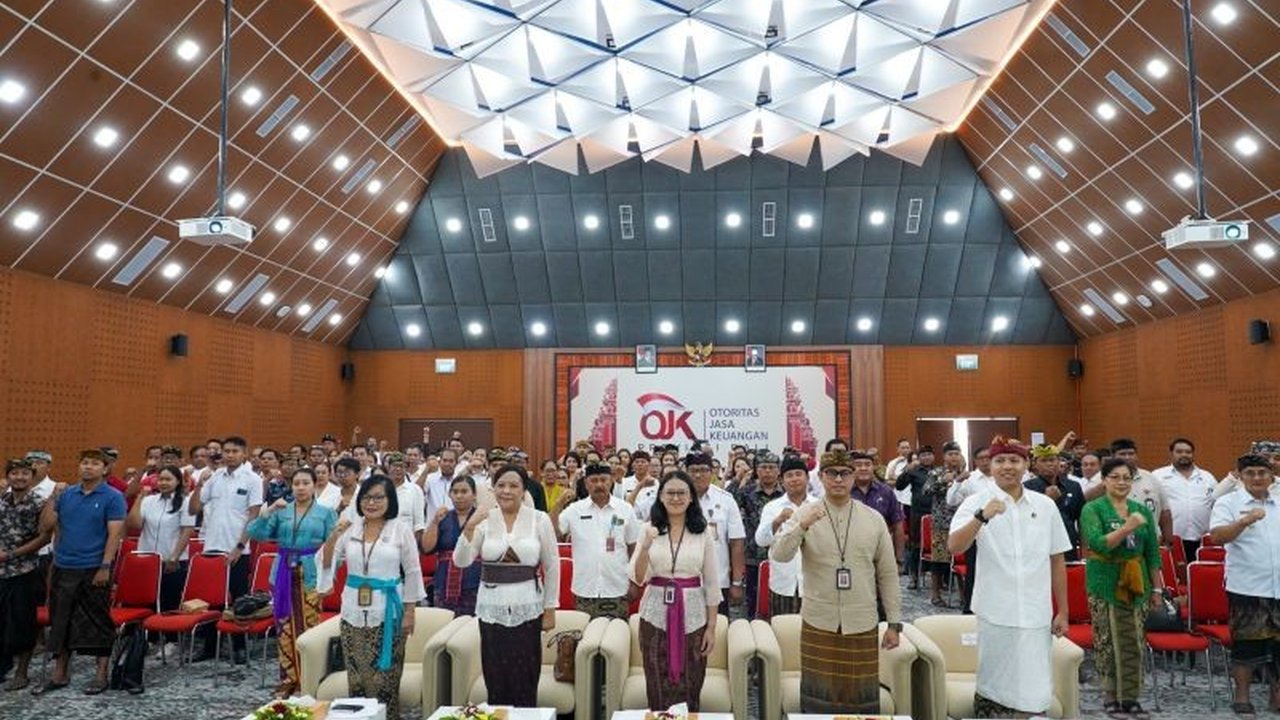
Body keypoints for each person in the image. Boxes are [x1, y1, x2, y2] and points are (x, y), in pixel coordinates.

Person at [770, 449, 902, 713]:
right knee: (818, 698)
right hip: (819, 619)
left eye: (845, 473)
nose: (839, 479)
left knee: (860, 700)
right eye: (832, 473)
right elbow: (780, 555)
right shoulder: (805, 514)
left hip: (861, 620)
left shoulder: (873, 519)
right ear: (821, 477)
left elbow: (887, 574)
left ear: (854, 477)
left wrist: (894, 623)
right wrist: (801, 526)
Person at [948, 437, 1071, 718]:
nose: (1007, 467)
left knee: (1033, 687)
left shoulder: (1044, 505)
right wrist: (981, 516)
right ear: (989, 466)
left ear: (1026, 466)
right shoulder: (976, 502)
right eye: (1000, 461)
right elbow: (954, 546)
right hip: (995, 610)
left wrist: (1062, 611)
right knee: (994, 684)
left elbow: (1057, 559)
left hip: (1035, 611)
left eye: (1014, 461)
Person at [453, 465, 559, 707]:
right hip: (491, 609)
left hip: (528, 609)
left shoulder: (539, 519)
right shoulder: (483, 519)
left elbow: (552, 567)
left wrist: (550, 608)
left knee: (525, 676)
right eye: (501, 485)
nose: (507, 491)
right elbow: (462, 561)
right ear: (493, 489)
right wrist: (469, 527)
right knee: (496, 676)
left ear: (524, 490)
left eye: (513, 486)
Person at [320, 475, 425, 720]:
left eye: (379, 497)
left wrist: (410, 612)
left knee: (385, 679)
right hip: (353, 610)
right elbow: (326, 563)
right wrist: (334, 534)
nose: (372, 503)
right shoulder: (350, 527)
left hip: (389, 611)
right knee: (356, 675)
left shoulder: (400, 529)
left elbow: (412, 571)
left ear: (390, 501)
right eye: (367, 497)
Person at [36, 448, 127, 695]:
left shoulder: (112, 496)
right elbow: (46, 525)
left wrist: (105, 566)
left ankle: (101, 674)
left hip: (93, 567)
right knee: (60, 619)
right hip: (64, 565)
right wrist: (54, 497)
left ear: (105, 469)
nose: (88, 467)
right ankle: (60, 673)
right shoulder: (67, 495)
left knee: (97, 621)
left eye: (95, 463)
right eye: (84, 462)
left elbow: (114, 534)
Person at [1080, 457, 1163, 718]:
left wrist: (1157, 590)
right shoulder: (1093, 509)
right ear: (1104, 480)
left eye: (1127, 477)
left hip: (1136, 583)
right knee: (1107, 641)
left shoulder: (1141, 509)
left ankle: (1131, 697)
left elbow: (1152, 553)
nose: (1121, 482)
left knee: (1134, 641)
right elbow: (1098, 544)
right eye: (1115, 477)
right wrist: (1127, 528)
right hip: (1104, 582)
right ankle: (1109, 696)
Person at [631, 471, 721, 710]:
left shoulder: (702, 532)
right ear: (660, 497)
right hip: (654, 615)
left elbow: (712, 583)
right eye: (670, 493)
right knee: (656, 682)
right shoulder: (648, 529)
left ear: (691, 498)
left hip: (693, 616)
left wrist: (711, 627)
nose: (676, 498)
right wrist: (645, 548)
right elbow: (639, 577)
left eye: (682, 493)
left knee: (691, 679)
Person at [248, 467, 338, 697]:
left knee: (310, 625)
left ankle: (313, 677)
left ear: (314, 485)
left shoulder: (326, 513)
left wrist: (328, 578)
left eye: (305, 483)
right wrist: (267, 511)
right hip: (284, 572)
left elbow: (334, 548)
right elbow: (256, 534)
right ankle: (288, 678)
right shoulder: (282, 511)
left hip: (311, 572)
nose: (300, 487)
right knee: (285, 625)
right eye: (296, 483)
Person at [1209, 453, 1280, 718]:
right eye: (1250, 473)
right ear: (1240, 476)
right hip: (1247, 587)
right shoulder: (1228, 502)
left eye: (1262, 473)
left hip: (1279, 587)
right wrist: (1243, 521)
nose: (1257, 478)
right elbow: (1216, 537)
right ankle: (1242, 698)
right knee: (1246, 646)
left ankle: (1277, 696)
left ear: (1271, 475)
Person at [188, 435, 262, 664]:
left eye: (234, 451)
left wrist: (240, 546)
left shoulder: (252, 479)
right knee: (212, 598)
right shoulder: (215, 477)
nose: (229, 455)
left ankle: (239, 646)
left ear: (244, 454)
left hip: (237, 548)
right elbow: (193, 509)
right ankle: (210, 646)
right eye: (226, 451)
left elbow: (254, 516)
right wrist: (200, 483)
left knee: (238, 599)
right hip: (212, 546)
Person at [126, 464, 196, 661]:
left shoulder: (185, 501)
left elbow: (187, 531)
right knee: (148, 600)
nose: (163, 483)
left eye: (168, 479)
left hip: (172, 560)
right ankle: (149, 638)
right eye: (160, 479)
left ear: (177, 481)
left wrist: (174, 556)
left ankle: (172, 640)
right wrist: (139, 498)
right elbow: (134, 524)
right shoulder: (149, 501)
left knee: (169, 600)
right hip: (147, 559)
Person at [554, 462, 641, 619]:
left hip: (618, 588)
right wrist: (559, 503)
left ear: (611, 481)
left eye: (603, 480)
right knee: (584, 640)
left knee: (615, 639)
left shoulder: (625, 509)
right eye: (594, 480)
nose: (599, 484)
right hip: (585, 589)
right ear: (586, 484)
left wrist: (634, 582)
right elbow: (553, 532)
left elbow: (633, 547)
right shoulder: (575, 510)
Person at [0, 459, 52, 691]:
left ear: (31, 478)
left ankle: (22, 672)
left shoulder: (39, 503)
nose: (19, 477)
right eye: (14, 473)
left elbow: (44, 537)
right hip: (2, 572)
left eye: (24, 474)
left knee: (23, 623)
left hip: (26, 570)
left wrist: (11, 554)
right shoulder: (2, 500)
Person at [754, 455, 814, 615]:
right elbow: (760, 541)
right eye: (789, 475)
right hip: (783, 583)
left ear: (807, 477)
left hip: (814, 584)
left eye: (798, 474)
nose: (794, 479)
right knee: (783, 632)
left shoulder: (818, 506)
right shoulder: (772, 507)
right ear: (782, 481)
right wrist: (777, 521)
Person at [733, 452, 784, 618]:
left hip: (781, 556)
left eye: (772, 467)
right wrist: (737, 480)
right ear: (756, 470)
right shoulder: (746, 492)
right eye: (763, 467)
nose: (768, 471)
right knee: (753, 603)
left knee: (780, 602)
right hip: (753, 556)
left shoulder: (786, 494)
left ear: (778, 471)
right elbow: (729, 505)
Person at [421, 476, 481, 615]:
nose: (459, 496)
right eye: (455, 492)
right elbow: (427, 548)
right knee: (443, 627)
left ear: (474, 494)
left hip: (474, 582)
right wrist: (435, 522)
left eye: (464, 491)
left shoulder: (481, 517)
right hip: (444, 582)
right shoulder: (444, 517)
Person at [1153, 438, 1217, 561]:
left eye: (1188, 452)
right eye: (1179, 451)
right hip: (1172, 540)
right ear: (1171, 453)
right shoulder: (1158, 476)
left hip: (1202, 539)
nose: (1184, 455)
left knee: (1199, 575)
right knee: (1177, 576)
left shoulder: (1207, 477)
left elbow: (1216, 502)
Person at [1024, 443, 1085, 561]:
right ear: (1035, 464)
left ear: (1058, 462)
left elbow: (1081, 519)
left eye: (1052, 460)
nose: (1049, 464)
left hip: (1068, 542)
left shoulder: (1073, 486)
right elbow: (1026, 519)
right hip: (1038, 546)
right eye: (1044, 460)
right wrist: (1047, 500)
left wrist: (1084, 549)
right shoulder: (1027, 488)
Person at [895, 447, 933, 590]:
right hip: (917, 514)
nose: (927, 457)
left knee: (937, 547)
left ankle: (941, 579)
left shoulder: (939, 472)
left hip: (937, 513)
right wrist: (907, 470)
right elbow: (899, 486)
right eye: (923, 455)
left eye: (929, 454)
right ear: (919, 458)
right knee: (916, 545)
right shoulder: (914, 471)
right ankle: (914, 577)